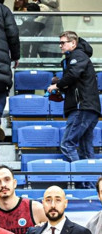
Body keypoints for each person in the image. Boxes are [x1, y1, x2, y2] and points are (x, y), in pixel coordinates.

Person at [48, 31, 101, 163]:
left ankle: (79, 174)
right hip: (88, 108)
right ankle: (89, 177)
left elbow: (73, 74)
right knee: (85, 149)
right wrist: (62, 87)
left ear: (73, 43)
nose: (60, 45)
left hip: (81, 107)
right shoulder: (75, 57)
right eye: (60, 43)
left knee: (67, 144)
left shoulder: (78, 55)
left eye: (63, 43)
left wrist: (57, 85)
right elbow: (75, 80)